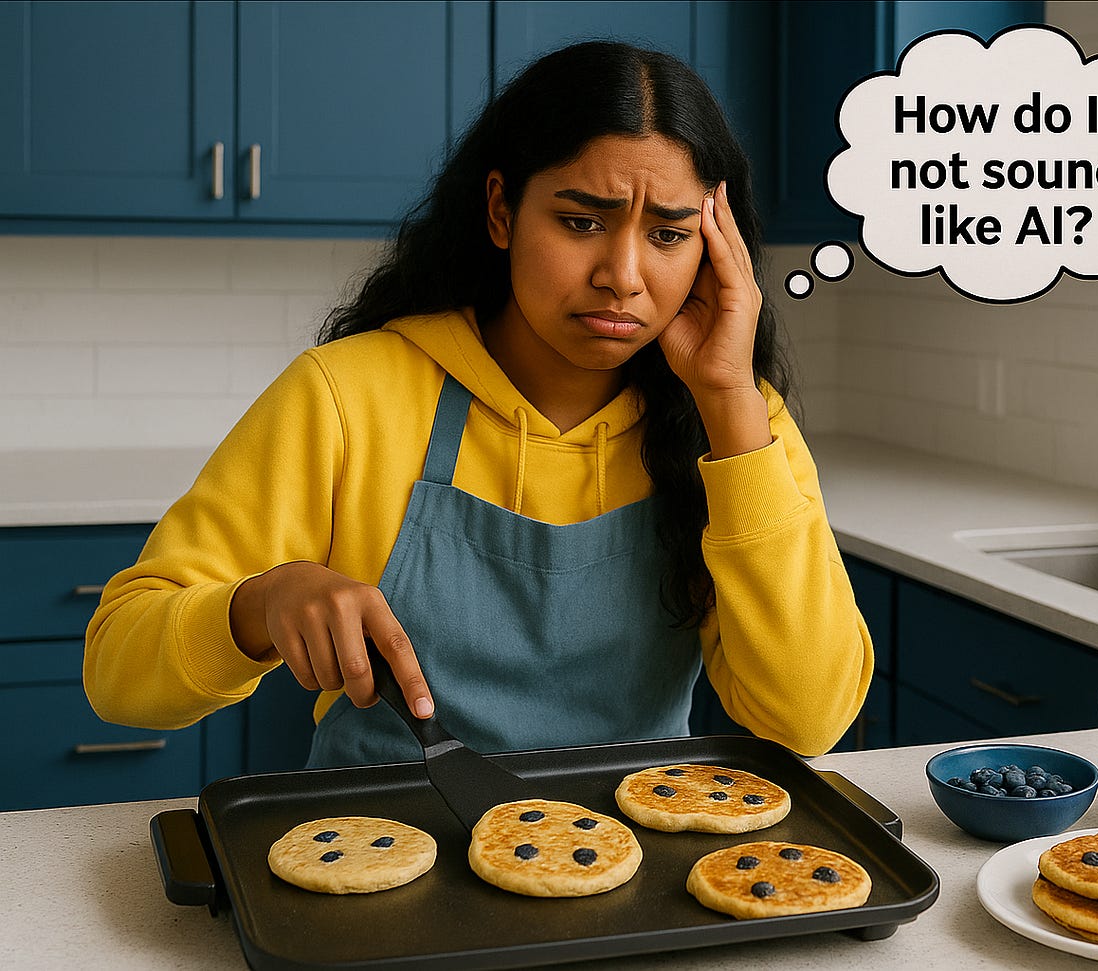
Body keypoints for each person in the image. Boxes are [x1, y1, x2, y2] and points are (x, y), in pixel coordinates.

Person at [83, 40, 873, 767]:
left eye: (668, 235)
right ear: (501, 210)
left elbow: (808, 720)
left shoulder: (737, 424)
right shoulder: (349, 396)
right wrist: (256, 606)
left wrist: (731, 402)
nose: (623, 275)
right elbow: (117, 669)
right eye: (581, 221)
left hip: (638, 873)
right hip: (382, 859)